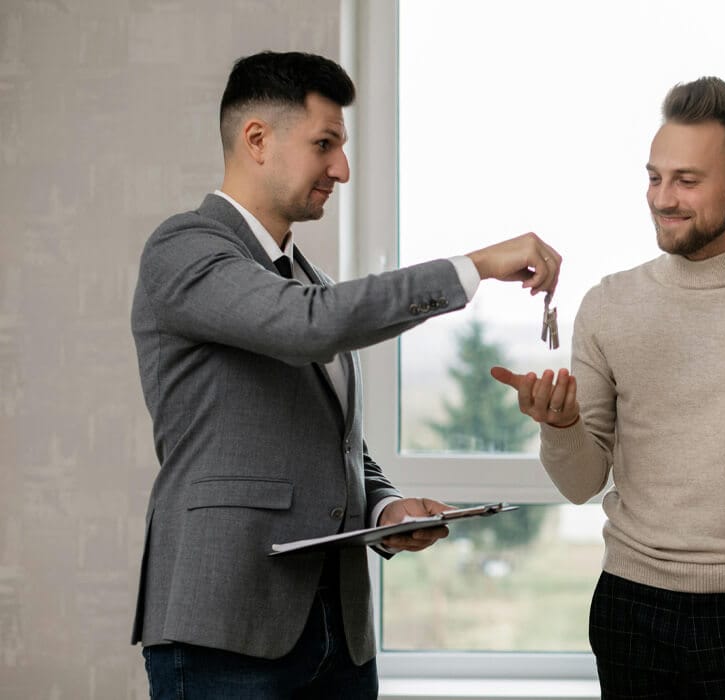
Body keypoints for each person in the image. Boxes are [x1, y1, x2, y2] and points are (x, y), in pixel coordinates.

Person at [130, 50, 561, 698]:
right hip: (225, 629)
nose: (343, 168)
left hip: (339, 639)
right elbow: (312, 325)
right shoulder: (185, 249)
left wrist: (386, 506)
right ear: (257, 140)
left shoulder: (312, 286)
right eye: (325, 144)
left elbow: (338, 446)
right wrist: (474, 265)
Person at [491, 77, 725, 699]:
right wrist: (560, 429)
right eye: (655, 177)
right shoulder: (609, 304)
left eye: (686, 180)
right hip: (630, 609)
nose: (663, 198)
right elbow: (582, 482)